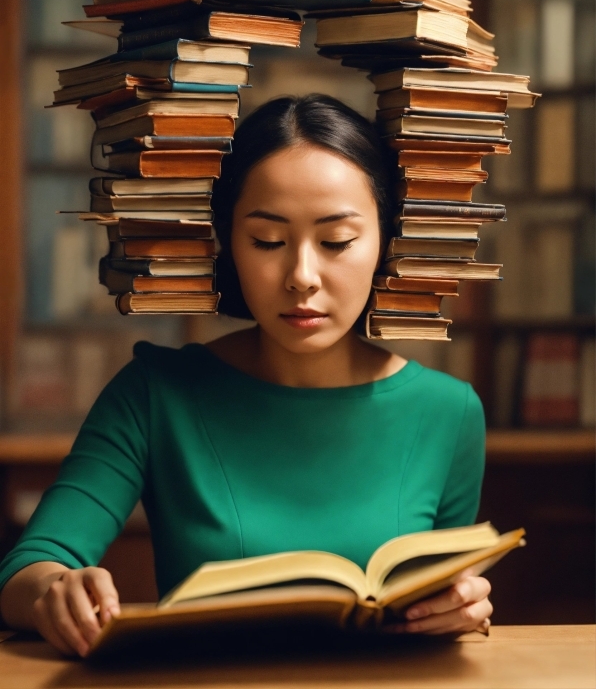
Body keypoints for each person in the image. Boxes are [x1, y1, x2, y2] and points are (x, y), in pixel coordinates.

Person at [0, 94, 492, 657]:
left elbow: (441, 601)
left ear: (384, 240)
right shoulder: (156, 393)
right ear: (228, 242)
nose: (302, 276)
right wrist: (55, 590)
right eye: (267, 241)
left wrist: (458, 605)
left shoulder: (449, 413)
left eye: (336, 241)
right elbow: (26, 571)